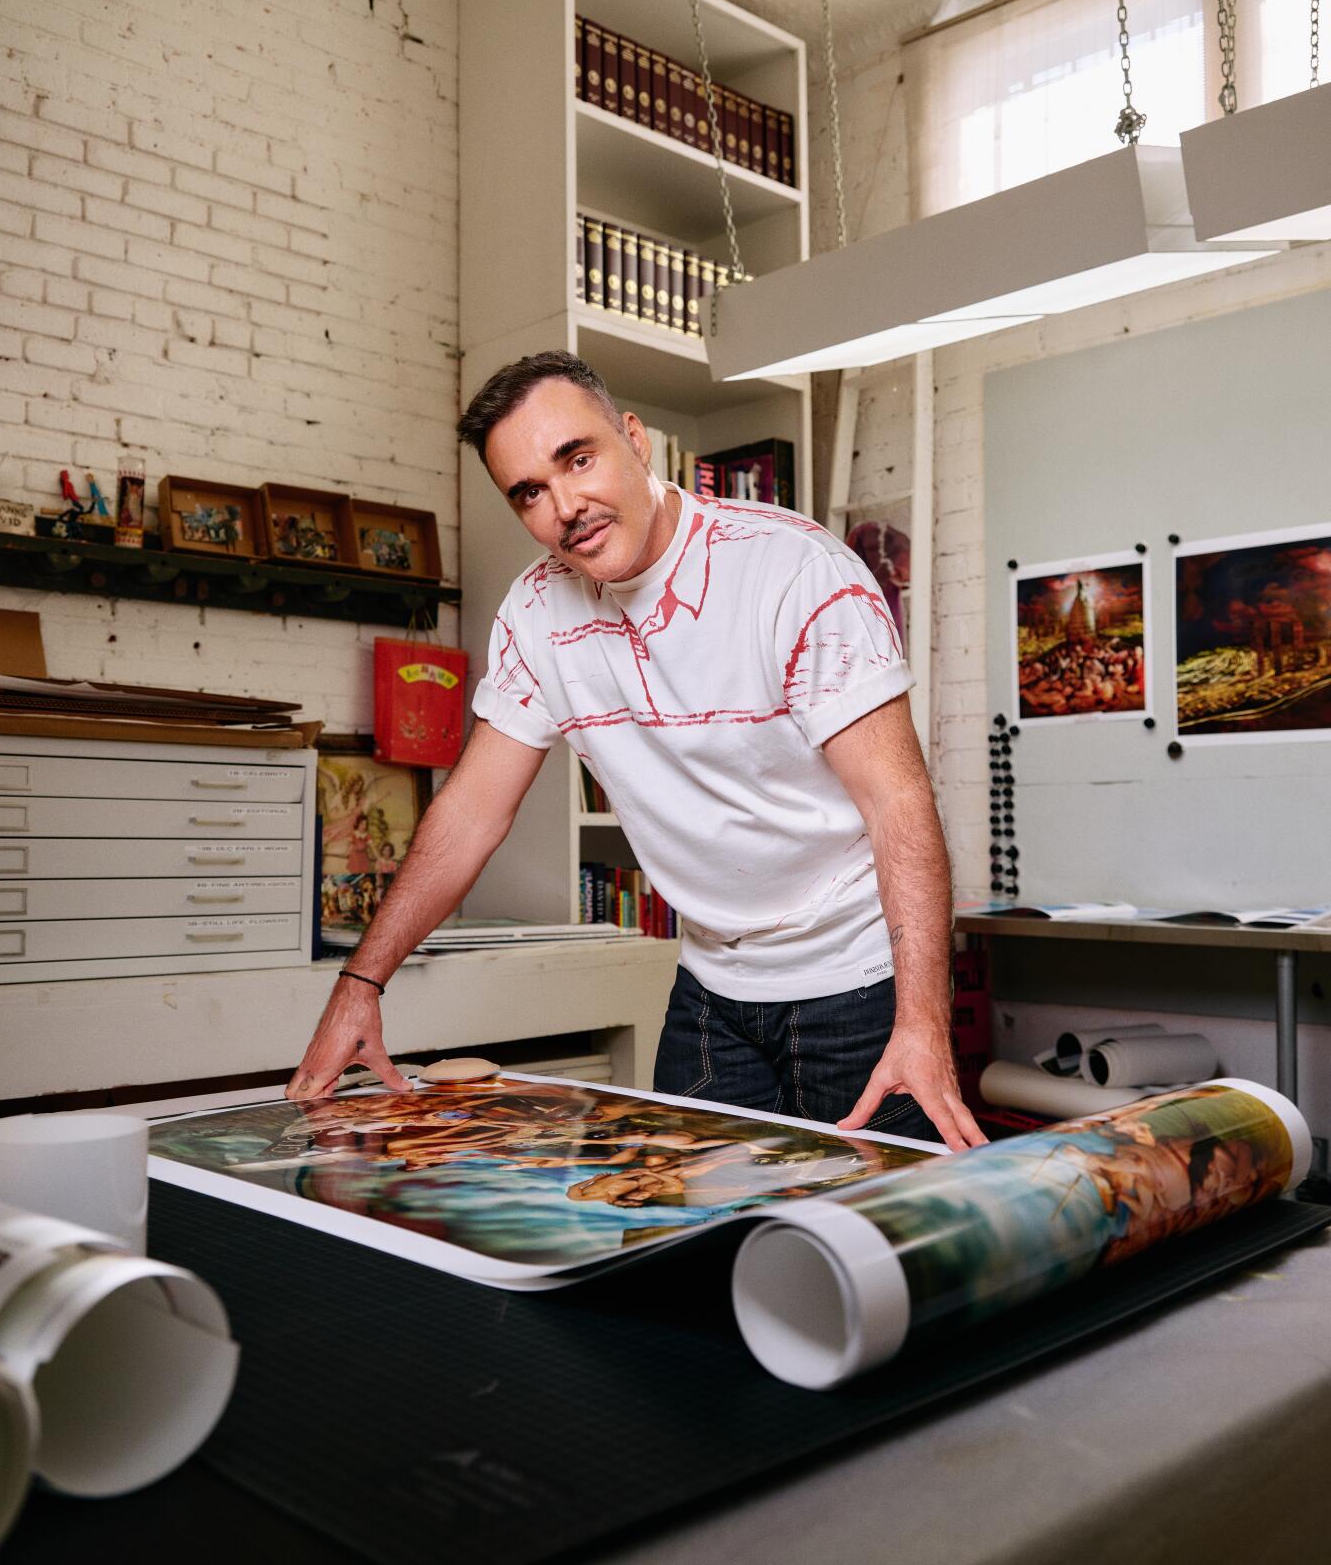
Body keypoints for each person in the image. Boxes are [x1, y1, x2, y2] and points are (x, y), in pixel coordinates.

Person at [288, 351, 981, 1150]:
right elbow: (471, 810)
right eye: (530, 494)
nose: (565, 507)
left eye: (578, 460)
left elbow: (898, 800)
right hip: (712, 991)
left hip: (863, 985)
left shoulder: (794, 571)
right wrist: (360, 983)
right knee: (681, 1250)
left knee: (884, 1247)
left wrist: (924, 1022)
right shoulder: (536, 613)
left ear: (635, 439)